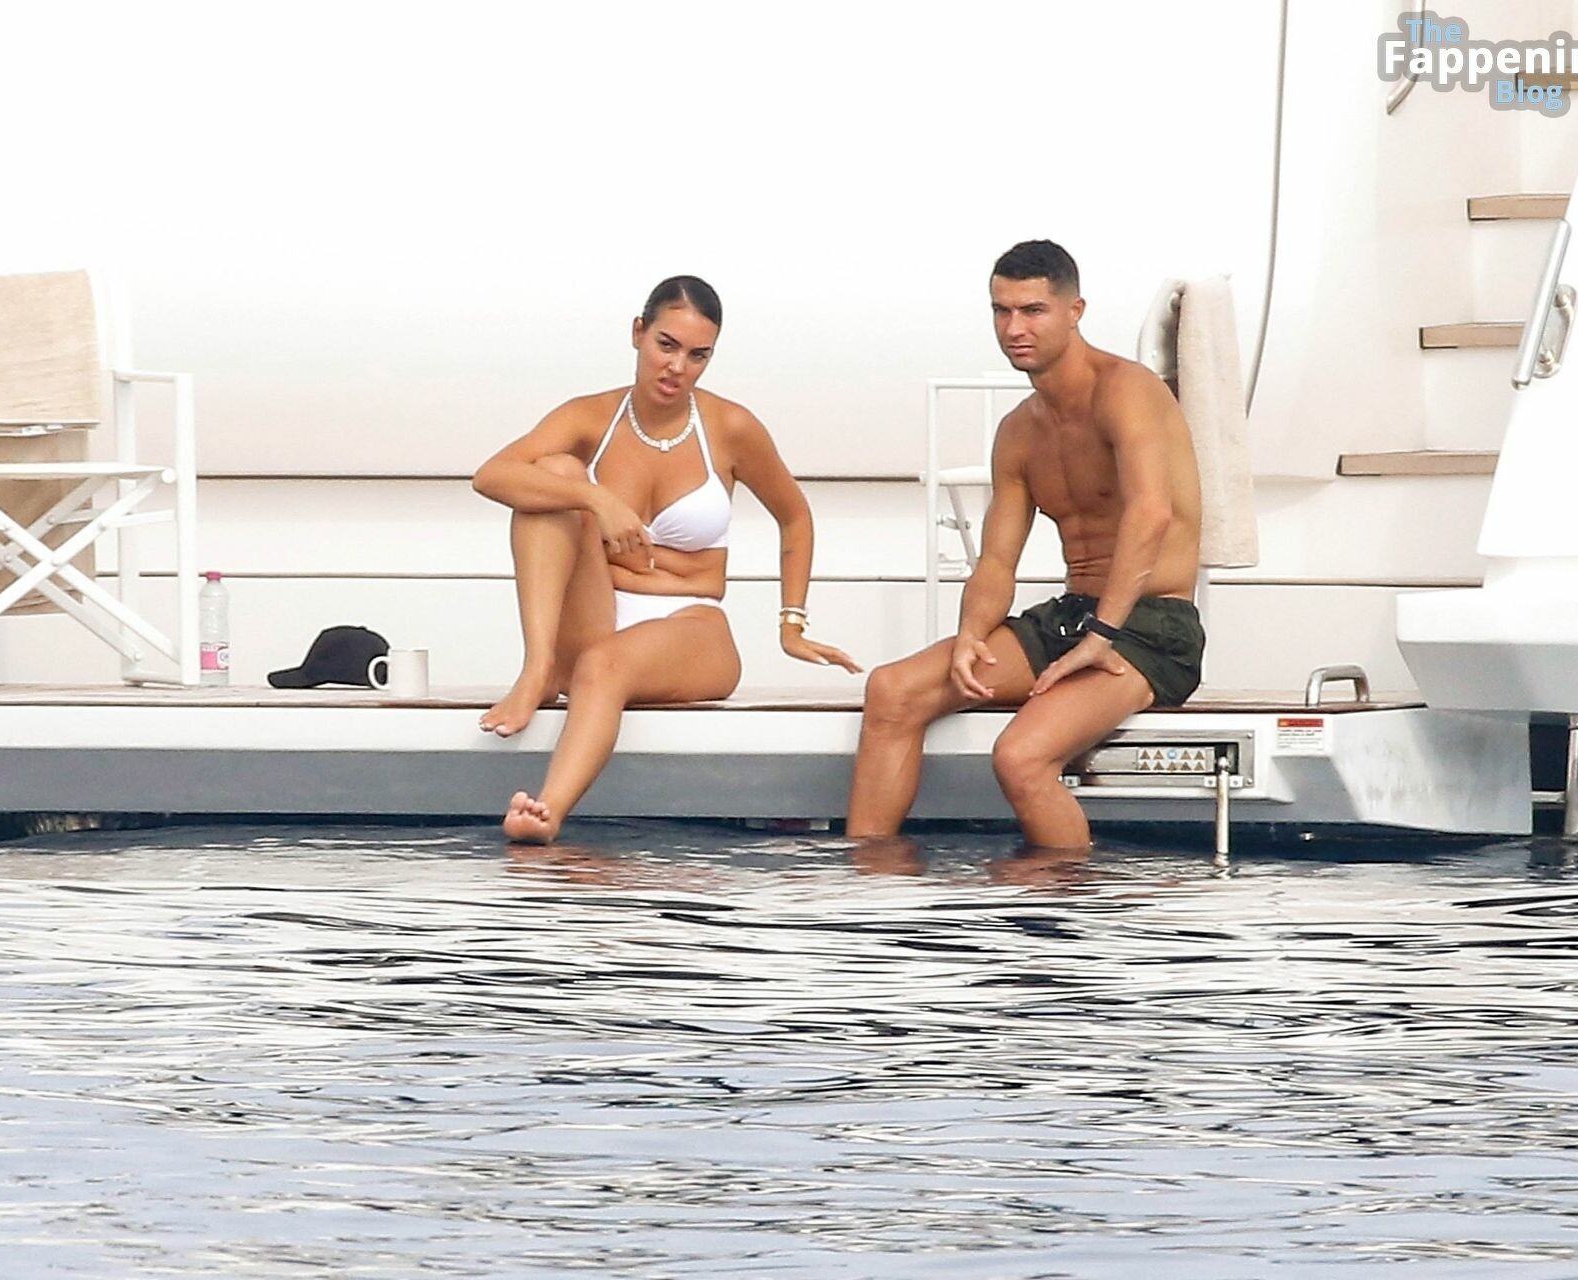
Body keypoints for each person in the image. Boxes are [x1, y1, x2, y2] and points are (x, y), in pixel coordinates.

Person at [472, 276, 860, 843]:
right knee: (553, 475)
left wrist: (792, 623)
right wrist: (596, 498)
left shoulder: (730, 427)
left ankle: (546, 812)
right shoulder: (589, 417)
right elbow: (491, 476)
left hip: (689, 622)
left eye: (697, 355)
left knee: (603, 665)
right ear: (638, 333)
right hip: (598, 612)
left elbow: (795, 516)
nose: (677, 367)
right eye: (666, 345)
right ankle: (538, 669)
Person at [846, 241, 1204, 850]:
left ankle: (1072, 903)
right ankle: (869, 881)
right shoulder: (1018, 431)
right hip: (1071, 618)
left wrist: (1102, 635)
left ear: (1074, 310)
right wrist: (970, 634)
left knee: (1019, 757)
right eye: (1002, 311)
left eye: (1033, 310)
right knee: (893, 690)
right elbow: (996, 561)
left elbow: (1151, 514)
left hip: (1150, 628)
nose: (1014, 329)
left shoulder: (1128, 390)